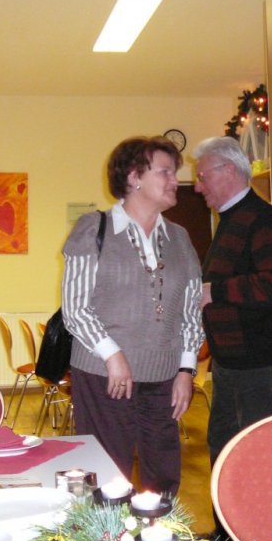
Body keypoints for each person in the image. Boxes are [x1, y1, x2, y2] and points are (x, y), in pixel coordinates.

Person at [61, 136, 203, 496]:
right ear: (134, 176)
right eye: (165, 172)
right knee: (108, 475)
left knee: (164, 475)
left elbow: (190, 312)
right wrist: (113, 354)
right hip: (103, 375)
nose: (175, 181)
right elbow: (75, 308)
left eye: (174, 173)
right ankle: (106, 533)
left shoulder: (180, 239)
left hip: (163, 378)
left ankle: (159, 531)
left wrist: (186, 370)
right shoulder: (93, 229)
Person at [193, 136, 272, 535]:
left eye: (202, 176)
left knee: (256, 453)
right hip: (231, 360)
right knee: (223, 447)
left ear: (229, 171)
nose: (198, 186)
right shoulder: (232, 220)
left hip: (257, 360)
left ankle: (262, 540)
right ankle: (228, 536)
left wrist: (214, 292)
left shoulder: (263, 219)